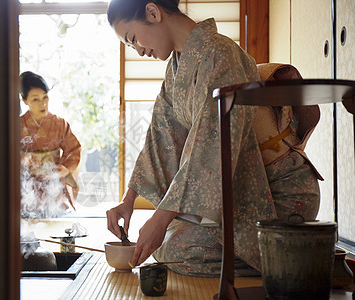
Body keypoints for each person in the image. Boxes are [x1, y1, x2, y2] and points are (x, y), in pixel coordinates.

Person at [105, 0, 321, 277]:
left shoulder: (221, 54)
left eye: (133, 39)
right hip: (241, 190)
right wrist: (129, 200)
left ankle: (289, 260)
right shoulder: (176, 69)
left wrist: (160, 219)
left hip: (278, 191)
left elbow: (211, 146)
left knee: (176, 248)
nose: (137, 50)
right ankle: (276, 257)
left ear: (152, 12)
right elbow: (159, 138)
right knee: (164, 241)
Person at [20, 71, 81, 217]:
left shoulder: (60, 124)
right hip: (26, 185)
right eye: (35, 99)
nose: (43, 103)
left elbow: (73, 149)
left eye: (45, 97)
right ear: (24, 101)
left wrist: (65, 168)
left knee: (57, 221)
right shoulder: (16, 125)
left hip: (53, 184)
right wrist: (23, 158)